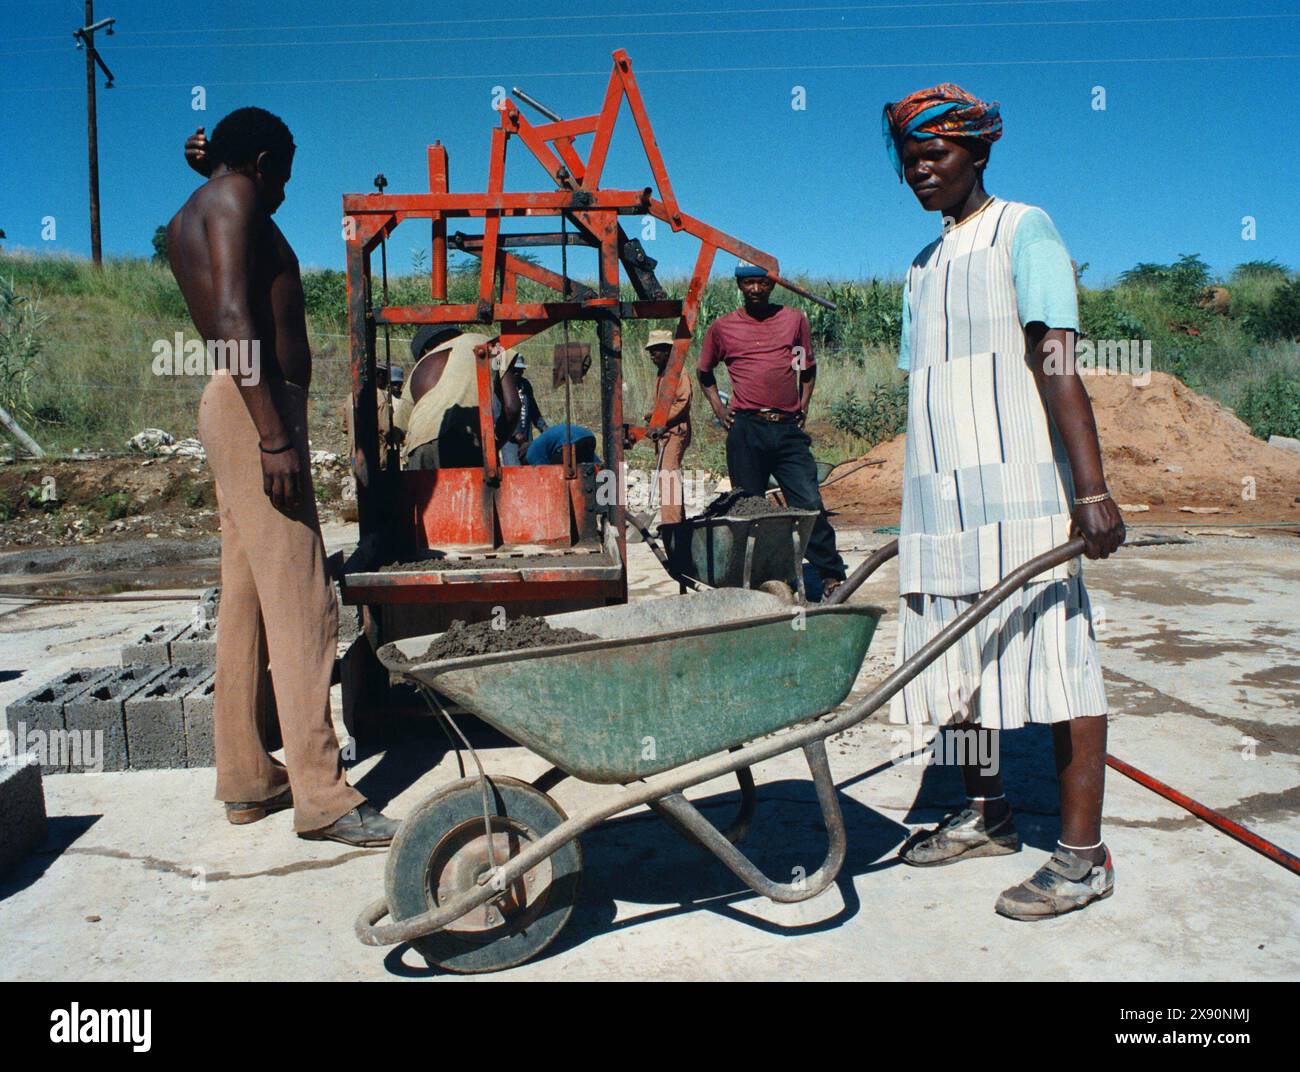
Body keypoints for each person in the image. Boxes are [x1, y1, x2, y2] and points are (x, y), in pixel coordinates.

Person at [881, 84, 1125, 918]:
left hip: (1019, 485)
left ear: (977, 153)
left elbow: (1055, 362)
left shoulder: (1026, 229)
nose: (921, 169)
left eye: (937, 154)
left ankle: (1083, 856)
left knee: (1058, 662)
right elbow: (930, 389)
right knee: (955, 661)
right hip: (939, 495)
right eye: (910, 158)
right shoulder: (922, 264)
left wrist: (1089, 488)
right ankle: (988, 812)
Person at [172, 113, 397, 846]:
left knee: (243, 598)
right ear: (263, 162)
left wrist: (217, 170)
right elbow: (236, 316)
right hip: (255, 405)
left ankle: (246, 777)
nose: (289, 185)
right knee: (303, 602)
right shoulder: (235, 199)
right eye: (286, 169)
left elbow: (223, 245)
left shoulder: (205, 205)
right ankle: (324, 796)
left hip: (233, 400)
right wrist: (274, 433)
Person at [697, 264, 847, 596]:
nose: (755, 289)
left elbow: (806, 368)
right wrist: (720, 411)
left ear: (772, 285)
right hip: (746, 431)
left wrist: (803, 407)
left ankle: (830, 575)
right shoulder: (723, 328)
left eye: (761, 283)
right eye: (748, 282)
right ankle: (759, 580)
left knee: (808, 503)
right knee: (750, 509)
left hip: (787, 429)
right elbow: (704, 372)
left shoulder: (793, 321)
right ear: (739, 285)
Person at [391, 326, 521, 469]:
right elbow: (512, 407)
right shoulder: (490, 344)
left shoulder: (420, 368)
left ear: (426, 351)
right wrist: (494, 444)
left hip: (419, 446)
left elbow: (397, 430)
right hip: (467, 442)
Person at [639, 328, 692, 525]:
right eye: (651, 351)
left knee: (668, 476)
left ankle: (672, 525)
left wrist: (662, 421)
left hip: (675, 431)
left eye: (657, 350)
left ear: (668, 350)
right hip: (665, 431)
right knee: (668, 476)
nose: (653, 355)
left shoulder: (678, 373)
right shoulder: (663, 373)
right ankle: (679, 522)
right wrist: (654, 417)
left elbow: (682, 402)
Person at [505, 355, 547, 466]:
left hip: (526, 437)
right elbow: (498, 414)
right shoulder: (502, 387)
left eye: (521, 370)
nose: (519, 373)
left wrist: (544, 428)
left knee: (529, 468)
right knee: (513, 469)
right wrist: (516, 434)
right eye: (516, 370)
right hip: (510, 440)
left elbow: (534, 411)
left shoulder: (525, 385)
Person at [522, 423, 599, 466]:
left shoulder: (531, 452)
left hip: (573, 443)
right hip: (589, 437)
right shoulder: (543, 442)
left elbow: (543, 471)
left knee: (555, 470)